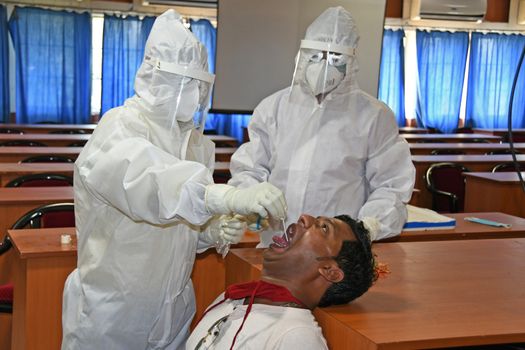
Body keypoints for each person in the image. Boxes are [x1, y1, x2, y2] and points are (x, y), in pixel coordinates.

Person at [61, 10, 286, 350]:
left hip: (173, 310)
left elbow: (177, 226)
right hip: (114, 314)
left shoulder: (195, 143)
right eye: (187, 83)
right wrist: (221, 198)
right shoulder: (120, 127)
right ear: (158, 78)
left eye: (200, 85)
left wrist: (208, 231)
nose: (195, 95)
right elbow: (149, 183)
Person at [228, 6, 415, 245]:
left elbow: (391, 186)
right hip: (276, 244)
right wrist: (251, 198)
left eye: (335, 59)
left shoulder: (373, 116)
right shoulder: (273, 107)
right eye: (315, 56)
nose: (323, 67)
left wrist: (366, 227)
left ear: (350, 63)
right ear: (302, 56)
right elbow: (250, 168)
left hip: (338, 250)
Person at [186, 214, 377, 349]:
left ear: (329, 271)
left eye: (324, 228)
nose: (304, 217)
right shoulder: (233, 298)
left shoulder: (296, 337)